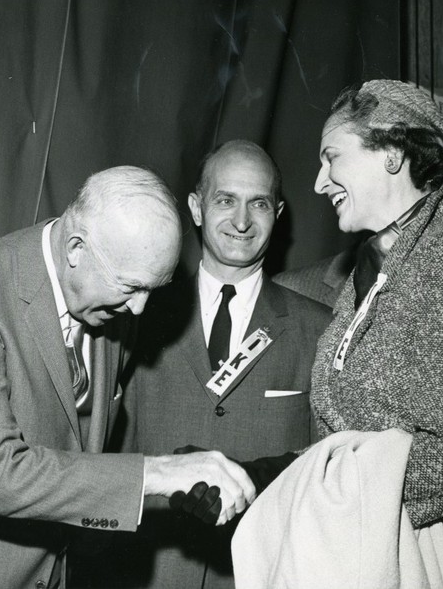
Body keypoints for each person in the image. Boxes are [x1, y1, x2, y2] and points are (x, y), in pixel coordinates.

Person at [0, 166, 255, 589]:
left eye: (151, 291)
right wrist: (157, 473)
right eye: (131, 287)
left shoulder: (111, 301)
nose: (139, 310)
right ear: (76, 248)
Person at [230, 80, 443, 584]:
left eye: (331, 157)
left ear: (392, 155)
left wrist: (328, 490)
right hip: (357, 539)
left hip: (414, 552)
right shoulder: (372, 271)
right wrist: (263, 473)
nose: (318, 183)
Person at [73, 141, 331, 588]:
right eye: (225, 200)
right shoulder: (133, 317)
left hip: (262, 573)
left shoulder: (319, 329)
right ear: (195, 207)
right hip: (146, 572)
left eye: (260, 204)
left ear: (279, 213)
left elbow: (326, 473)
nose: (242, 221)